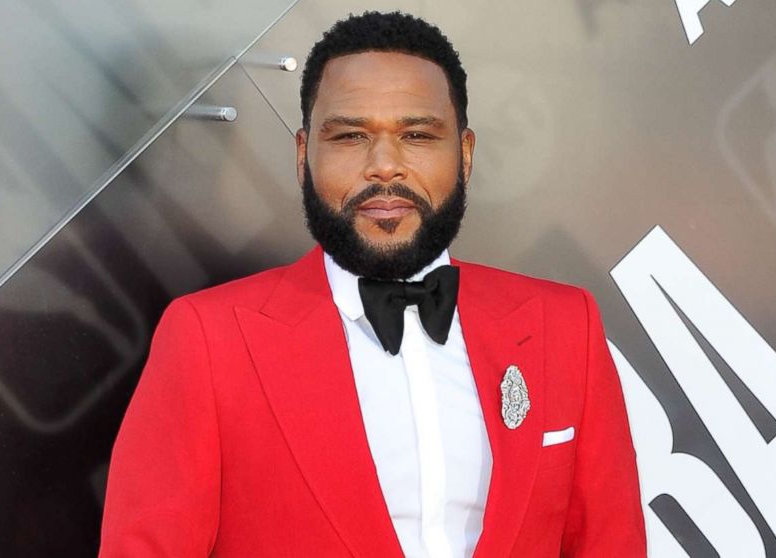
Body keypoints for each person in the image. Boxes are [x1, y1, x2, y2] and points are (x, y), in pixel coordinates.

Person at [100, 11, 646, 557]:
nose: (385, 167)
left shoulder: (564, 326)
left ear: (466, 153)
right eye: (351, 136)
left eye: (416, 134)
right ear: (302, 156)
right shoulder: (207, 340)